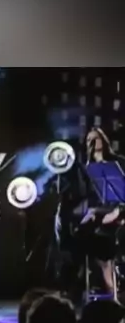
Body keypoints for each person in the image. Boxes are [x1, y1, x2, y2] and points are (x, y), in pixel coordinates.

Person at [57, 128, 125, 299]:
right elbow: (85, 197)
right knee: (75, 237)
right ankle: (75, 286)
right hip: (97, 215)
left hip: (117, 212)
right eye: (89, 140)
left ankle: (110, 282)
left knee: (101, 236)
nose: (94, 142)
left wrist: (117, 212)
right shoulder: (84, 169)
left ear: (104, 140)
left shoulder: (119, 162)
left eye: (97, 138)